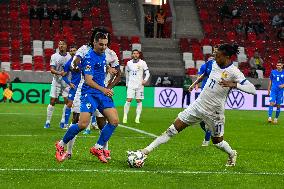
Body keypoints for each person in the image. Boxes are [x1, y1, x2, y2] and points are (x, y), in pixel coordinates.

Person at [135, 44, 256, 167]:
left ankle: (231, 153)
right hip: (198, 106)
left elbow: (252, 89)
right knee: (172, 130)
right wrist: (194, 83)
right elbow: (205, 74)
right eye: (215, 55)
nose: (216, 58)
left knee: (217, 142)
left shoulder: (234, 72)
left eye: (218, 56)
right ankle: (145, 151)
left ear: (228, 57)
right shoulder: (213, 63)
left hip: (215, 113)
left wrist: (234, 85)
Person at [55, 31, 120, 164]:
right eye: (101, 44)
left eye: (105, 45)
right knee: (82, 124)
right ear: (94, 43)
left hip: (101, 93)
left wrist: (108, 69)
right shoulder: (89, 57)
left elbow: (101, 66)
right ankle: (61, 144)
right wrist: (105, 90)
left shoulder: (102, 55)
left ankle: (98, 147)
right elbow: (89, 80)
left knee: (114, 121)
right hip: (89, 93)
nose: (103, 47)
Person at [44, 40, 71, 129]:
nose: (61, 46)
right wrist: (60, 73)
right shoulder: (54, 56)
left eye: (63, 44)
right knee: (52, 101)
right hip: (56, 82)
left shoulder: (70, 56)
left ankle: (63, 121)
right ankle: (47, 121)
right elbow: (52, 69)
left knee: (67, 102)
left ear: (66, 46)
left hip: (66, 82)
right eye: (59, 44)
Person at [123, 49, 150, 124]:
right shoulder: (128, 63)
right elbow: (127, 74)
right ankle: (125, 116)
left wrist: (145, 80)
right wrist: (127, 84)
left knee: (139, 101)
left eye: (137, 53)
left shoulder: (142, 63)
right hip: (131, 84)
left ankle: (137, 118)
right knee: (128, 100)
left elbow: (147, 73)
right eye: (134, 53)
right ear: (132, 55)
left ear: (139, 55)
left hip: (139, 85)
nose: (135, 55)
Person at [62, 46, 81, 128]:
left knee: (89, 104)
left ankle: (93, 124)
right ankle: (66, 123)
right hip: (74, 86)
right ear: (69, 52)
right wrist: (69, 83)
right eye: (71, 51)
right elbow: (63, 76)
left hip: (84, 86)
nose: (73, 52)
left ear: (77, 51)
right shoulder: (68, 63)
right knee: (69, 104)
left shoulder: (82, 61)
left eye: (74, 50)